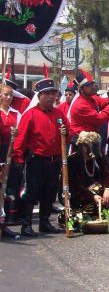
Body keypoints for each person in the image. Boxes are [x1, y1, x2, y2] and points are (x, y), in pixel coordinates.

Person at [13, 76, 67, 236]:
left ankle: (44, 222)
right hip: (37, 160)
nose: (51, 96)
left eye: (53, 93)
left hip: (55, 160)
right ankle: (26, 224)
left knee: (50, 192)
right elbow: (20, 138)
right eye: (47, 93)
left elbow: (66, 133)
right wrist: (18, 159)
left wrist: (66, 132)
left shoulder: (59, 113)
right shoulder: (30, 114)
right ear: (40, 96)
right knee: (32, 192)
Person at [67, 131, 109, 220]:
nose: (96, 148)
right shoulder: (73, 161)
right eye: (93, 146)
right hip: (82, 196)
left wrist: (107, 189)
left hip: (99, 190)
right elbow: (75, 187)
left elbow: (107, 175)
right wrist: (92, 196)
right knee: (86, 211)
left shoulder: (99, 156)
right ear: (84, 147)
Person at [68, 69, 109, 143]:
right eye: (89, 85)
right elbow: (100, 119)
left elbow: (108, 101)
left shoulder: (93, 98)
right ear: (81, 90)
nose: (93, 87)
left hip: (91, 139)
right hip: (81, 142)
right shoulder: (80, 105)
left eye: (92, 84)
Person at [0, 84, 21, 238]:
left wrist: (16, 133)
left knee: (8, 189)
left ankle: (4, 223)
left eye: (10, 95)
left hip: (10, 152)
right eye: (5, 94)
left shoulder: (16, 113)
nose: (8, 97)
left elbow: (20, 133)